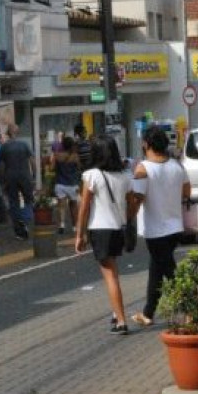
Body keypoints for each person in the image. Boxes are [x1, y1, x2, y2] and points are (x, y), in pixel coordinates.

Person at [128, 126, 191, 327]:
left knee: (169, 272)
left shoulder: (142, 169)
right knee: (156, 269)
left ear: (146, 144)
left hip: (155, 229)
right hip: (175, 226)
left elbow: (137, 199)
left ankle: (191, 308)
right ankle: (148, 313)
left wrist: (127, 217)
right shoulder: (177, 166)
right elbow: (187, 193)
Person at [75, 136, 135, 335]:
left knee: (110, 277)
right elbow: (132, 203)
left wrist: (79, 234)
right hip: (118, 229)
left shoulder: (91, 175)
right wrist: (127, 219)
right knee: (114, 272)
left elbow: (84, 207)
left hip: (100, 230)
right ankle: (115, 312)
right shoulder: (125, 175)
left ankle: (121, 320)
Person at [0, 131, 35, 240]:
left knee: (14, 202)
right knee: (29, 199)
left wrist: (2, 180)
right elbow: (32, 161)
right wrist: (35, 176)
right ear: (16, 134)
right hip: (25, 176)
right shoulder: (24, 145)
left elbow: (1, 166)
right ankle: (26, 219)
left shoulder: (4, 147)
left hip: (10, 177)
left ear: (7, 135)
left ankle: (19, 229)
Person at [51, 136, 81, 234]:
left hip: (60, 183)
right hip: (72, 184)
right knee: (73, 206)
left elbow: (52, 168)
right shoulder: (75, 156)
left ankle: (62, 225)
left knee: (61, 206)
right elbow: (79, 169)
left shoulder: (57, 155)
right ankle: (74, 226)